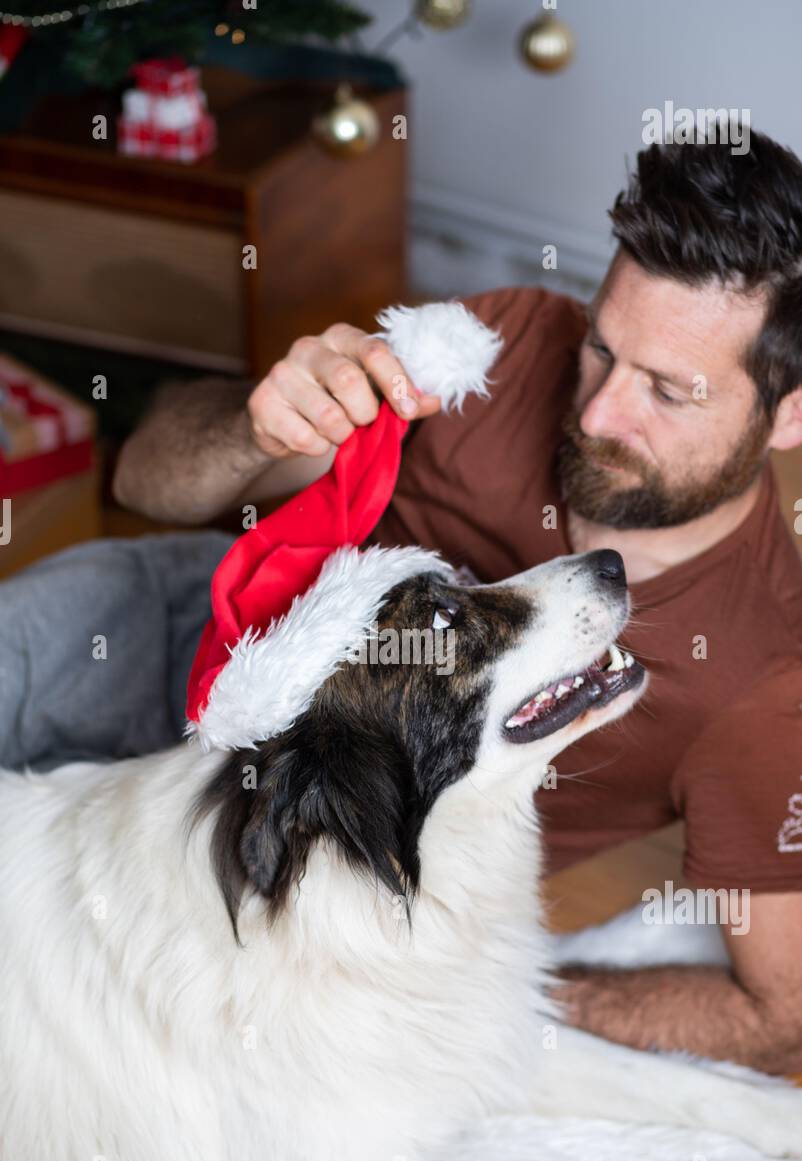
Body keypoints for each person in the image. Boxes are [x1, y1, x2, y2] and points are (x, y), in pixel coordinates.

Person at [6, 128, 802, 1075]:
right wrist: (257, 421)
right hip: (189, 630)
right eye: (601, 351)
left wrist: (502, 991)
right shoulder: (503, 339)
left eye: (669, 391)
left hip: (288, 851)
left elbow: (777, 1010)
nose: (596, 414)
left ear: (789, 412)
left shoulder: (762, 679)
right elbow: (145, 478)